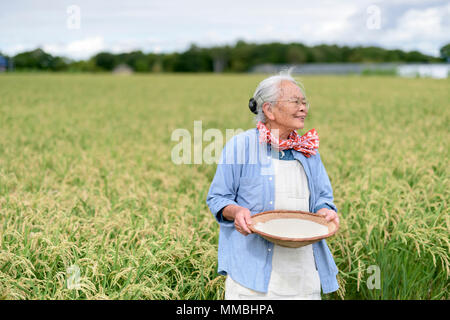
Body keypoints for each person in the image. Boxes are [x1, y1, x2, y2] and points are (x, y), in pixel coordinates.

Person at [206, 69, 340, 300]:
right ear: (268, 109)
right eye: (295, 101)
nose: (303, 108)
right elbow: (218, 198)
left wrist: (325, 211)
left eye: (304, 102)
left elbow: (323, 198)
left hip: (302, 272)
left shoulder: (308, 151)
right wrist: (237, 212)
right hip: (252, 276)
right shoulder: (241, 146)